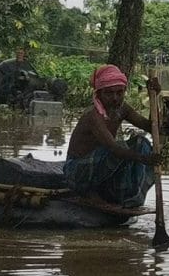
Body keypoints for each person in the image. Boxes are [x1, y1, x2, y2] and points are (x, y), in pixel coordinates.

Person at [64, 64, 162, 208]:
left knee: (142, 142)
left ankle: (132, 196)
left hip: (100, 166)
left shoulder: (123, 109)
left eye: (119, 93)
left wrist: (155, 95)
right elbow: (113, 148)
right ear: (99, 94)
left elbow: (152, 127)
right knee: (122, 148)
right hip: (77, 172)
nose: (115, 98)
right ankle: (89, 194)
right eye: (109, 93)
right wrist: (143, 159)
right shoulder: (93, 116)